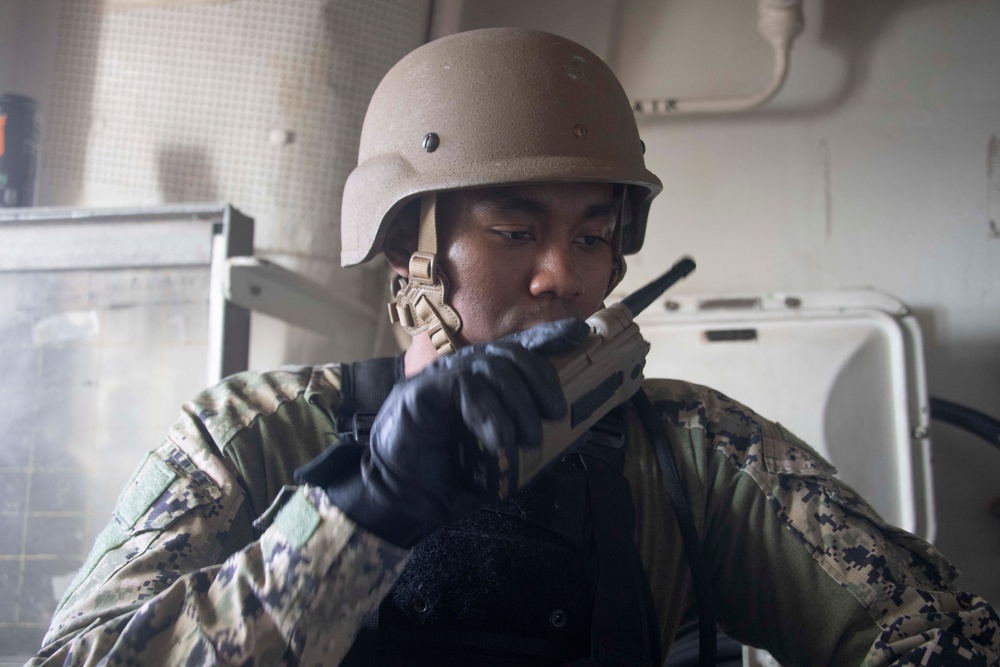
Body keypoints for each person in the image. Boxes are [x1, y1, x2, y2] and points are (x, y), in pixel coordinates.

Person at [30, 28, 999, 666]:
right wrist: (361, 513)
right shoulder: (248, 434)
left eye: (591, 235)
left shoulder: (695, 450)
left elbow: (939, 638)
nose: (561, 276)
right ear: (408, 246)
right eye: (512, 230)